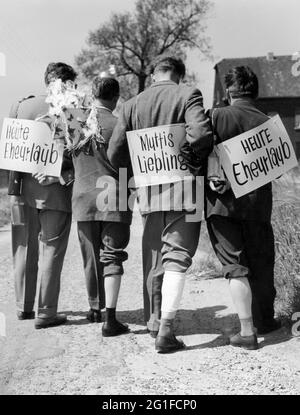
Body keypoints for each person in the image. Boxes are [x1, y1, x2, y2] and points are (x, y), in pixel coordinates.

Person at [107, 56, 213, 352]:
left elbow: (115, 153)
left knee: (154, 258)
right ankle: (166, 329)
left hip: (148, 191)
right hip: (186, 189)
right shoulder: (187, 93)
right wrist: (191, 155)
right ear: (179, 74)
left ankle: (154, 320)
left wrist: (138, 167)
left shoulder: (130, 105)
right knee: (177, 256)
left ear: (153, 74)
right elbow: (202, 134)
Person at [206, 65, 280, 350]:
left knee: (235, 266)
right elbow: (275, 169)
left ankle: (247, 331)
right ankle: (266, 319)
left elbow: (199, 146)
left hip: (222, 205)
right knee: (261, 261)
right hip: (257, 205)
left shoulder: (216, 115)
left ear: (228, 91)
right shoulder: (269, 123)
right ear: (255, 92)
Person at [8, 62, 75, 329]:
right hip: (56, 191)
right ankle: (46, 311)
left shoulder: (20, 106)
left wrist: (14, 193)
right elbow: (76, 152)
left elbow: (12, 155)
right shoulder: (72, 109)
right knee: (52, 250)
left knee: (23, 247)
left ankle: (23, 307)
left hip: (22, 191)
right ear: (69, 83)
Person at [72, 76, 131, 336]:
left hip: (83, 198)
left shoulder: (74, 123)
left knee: (90, 257)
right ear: (116, 97)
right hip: (115, 197)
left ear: (92, 93)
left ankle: (94, 308)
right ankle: (111, 317)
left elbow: (62, 158)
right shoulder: (119, 124)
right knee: (112, 255)